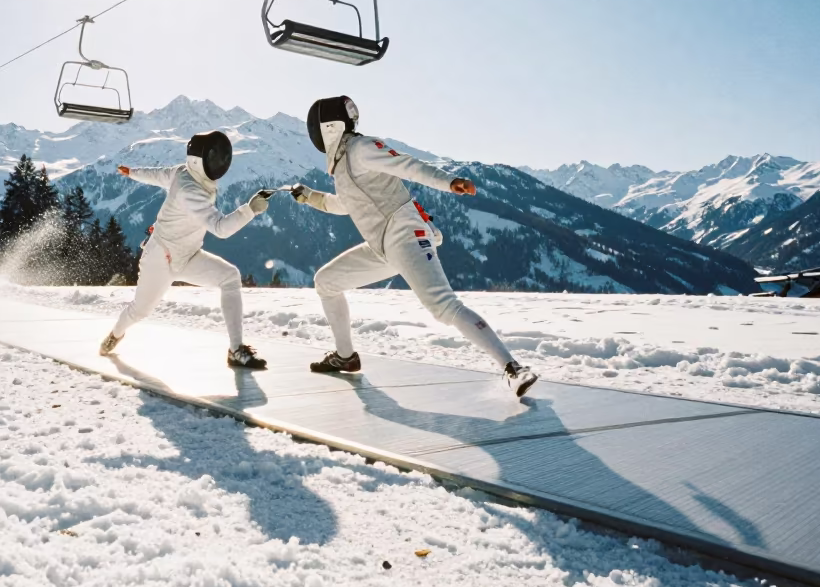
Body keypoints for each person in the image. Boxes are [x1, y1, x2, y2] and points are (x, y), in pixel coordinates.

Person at [290, 97, 537, 397]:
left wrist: (449, 182)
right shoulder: (343, 165)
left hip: (405, 233)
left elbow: (406, 165)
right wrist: (309, 197)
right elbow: (345, 204)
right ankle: (346, 356)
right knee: (326, 282)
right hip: (381, 246)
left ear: (326, 127)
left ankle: (513, 368)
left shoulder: (361, 148)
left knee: (444, 306)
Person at [99, 130, 270, 368]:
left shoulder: (183, 172)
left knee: (230, 277)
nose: (220, 162)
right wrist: (249, 210)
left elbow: (158, 175)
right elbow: (220, 228)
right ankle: (115, 334)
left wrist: (133, 172)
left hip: (189, 256)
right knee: (140, 311)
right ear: (201, 162)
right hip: (161, 258)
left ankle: (235, 349)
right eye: (215, 157)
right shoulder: (191, 191)